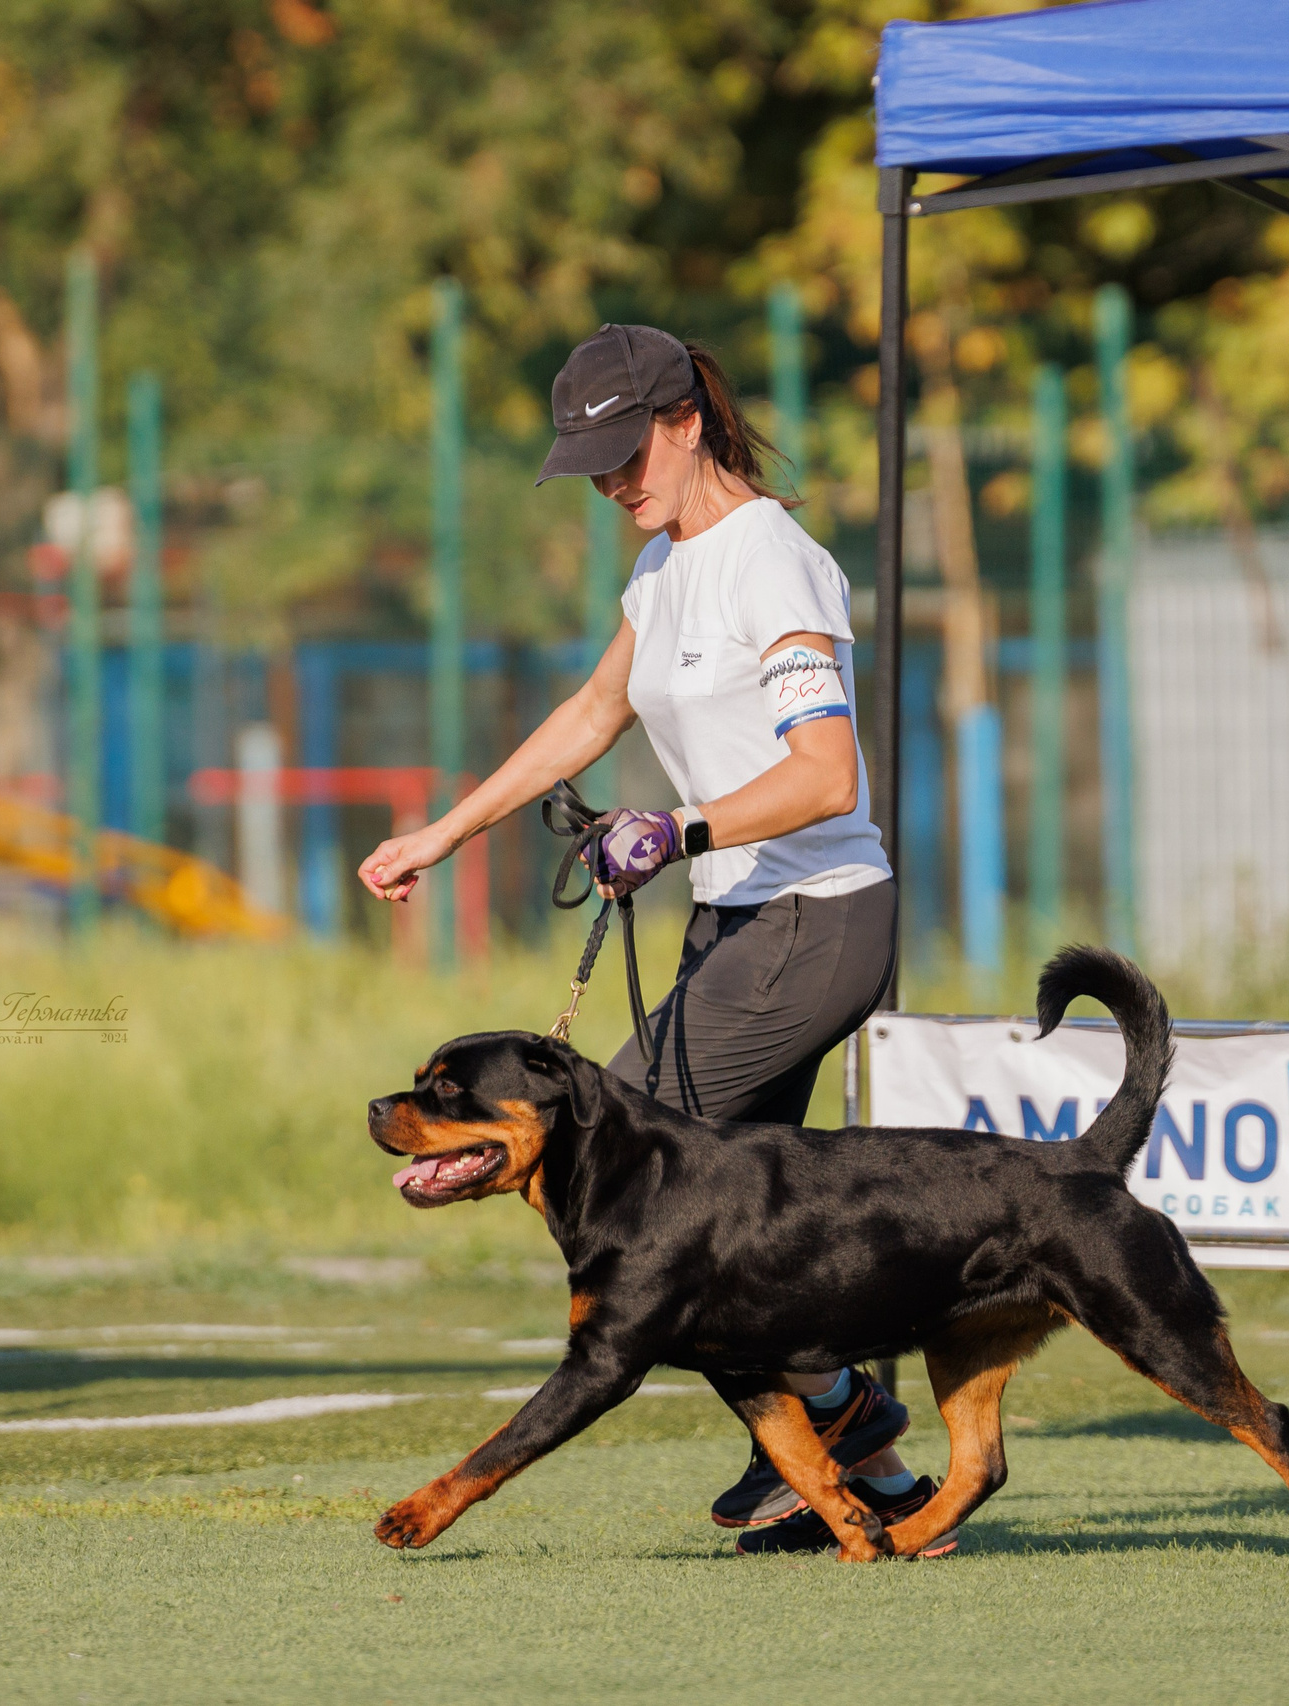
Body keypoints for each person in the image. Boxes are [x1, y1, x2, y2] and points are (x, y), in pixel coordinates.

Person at [358, 323, 940, 1555]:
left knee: (624, 1157)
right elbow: (588, 713)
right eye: (591, 461)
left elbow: (829, 775)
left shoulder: (771, 561)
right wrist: (444, 834)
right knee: (742, 1219)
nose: (612, 479)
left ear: (686, 421)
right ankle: (877, 1481)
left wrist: (676, 828)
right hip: (738, 919)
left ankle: (838, 1410)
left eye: (627, 452)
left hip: (816, 918)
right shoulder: (665, 569)